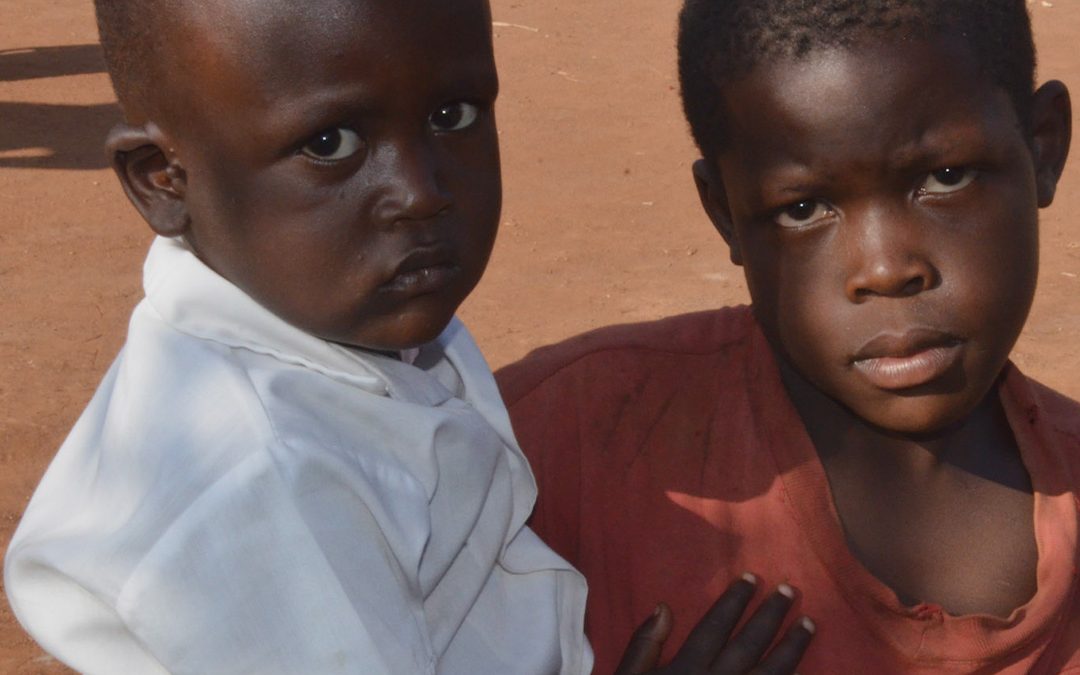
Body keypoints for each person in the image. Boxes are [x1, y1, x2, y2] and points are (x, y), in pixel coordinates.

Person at [4, 0, 817, 673]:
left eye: (452, 115)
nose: (421, 191)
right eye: (330, 144)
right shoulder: (258, 492)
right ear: (163, 180)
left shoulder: (337, 322)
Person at [496, 0, 1077, 672]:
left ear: (1042, 144)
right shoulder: (543, 456)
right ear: (726, 213)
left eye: (945, 177)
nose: (886, 268)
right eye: (802, 209)